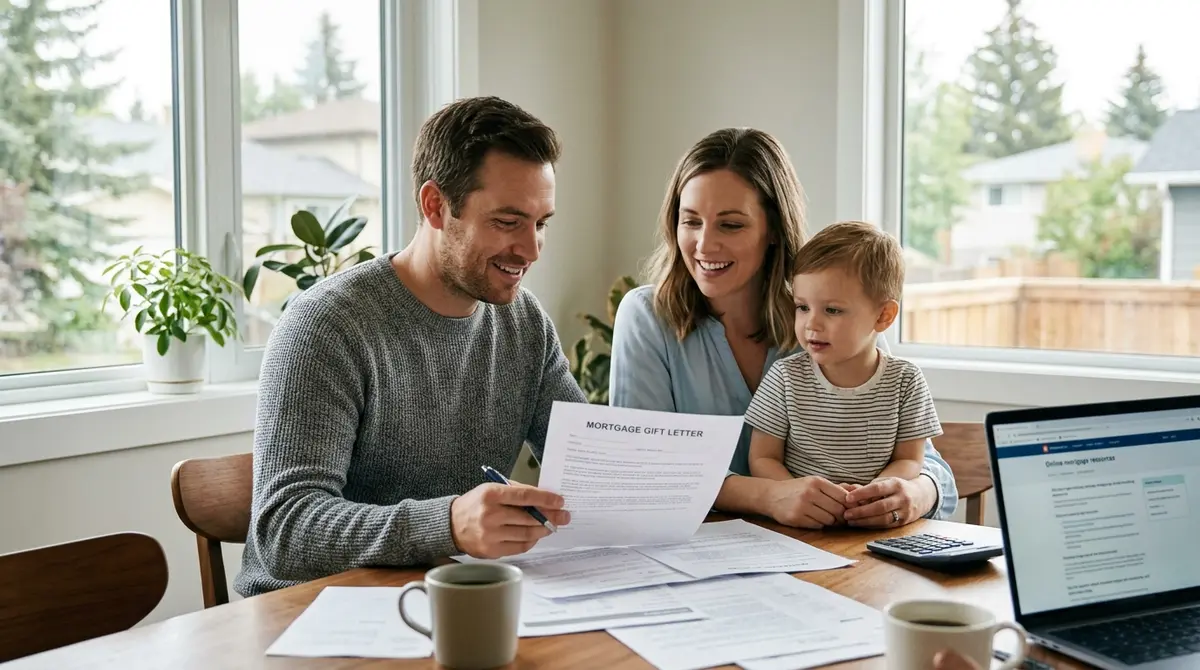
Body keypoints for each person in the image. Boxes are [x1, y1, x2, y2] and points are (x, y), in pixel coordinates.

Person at [234, 96, 586, 597]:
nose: (530, 249)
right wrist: (447, 523)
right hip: (312, 614)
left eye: (541, 223)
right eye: (508, 222)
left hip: (441, 596)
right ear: (435, 206)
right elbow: (285, 531)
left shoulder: (523, 322)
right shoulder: (328, 324)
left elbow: (587, 467)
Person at [609, 127, 958, 529]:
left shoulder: (831, 318)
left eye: (731, 225)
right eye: (691, 222)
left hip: (823, 556)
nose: (704, 245)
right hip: (693, 553)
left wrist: (913, 495)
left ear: (773, 229)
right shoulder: (646, 318)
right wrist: (770, 497)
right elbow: (643, 469)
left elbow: (928, 467)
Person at [744, 221, 942, 516]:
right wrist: (795, 495)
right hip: (801, 525)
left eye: (832, 310)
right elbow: (762, 457)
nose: (811, 323)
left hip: (874, 525)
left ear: (884, 316)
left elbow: (911, 460)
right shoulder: (784, 377)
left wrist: (874, 494)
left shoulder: (906, 380)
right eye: (802, 307)